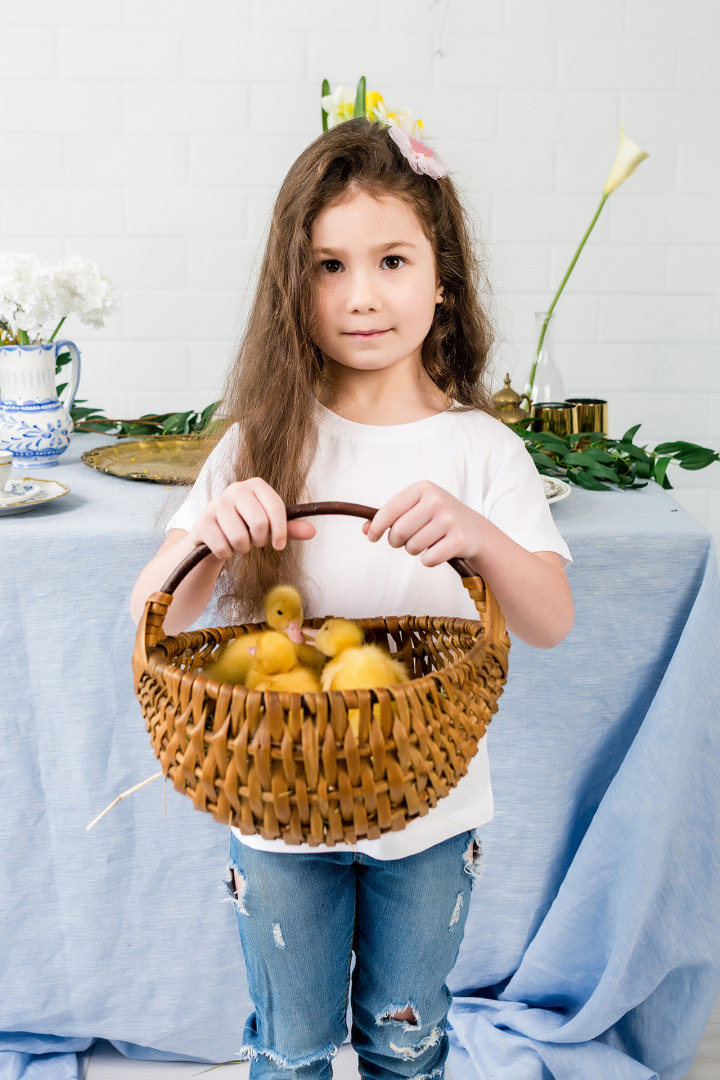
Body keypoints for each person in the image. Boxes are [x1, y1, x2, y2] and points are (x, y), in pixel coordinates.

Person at [131, 117, 573, 1080]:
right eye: (328, 266)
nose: (361, 296)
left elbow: (550, 617)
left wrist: (480, 534)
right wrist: (215, 532)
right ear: (291, 284)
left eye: (391, 260)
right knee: (287, 1049)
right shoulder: (261, 443)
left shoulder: (481, 451)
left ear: (442, 276)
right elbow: (148, 617)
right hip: (278, 808)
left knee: (407, 1042)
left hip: (432, 812)